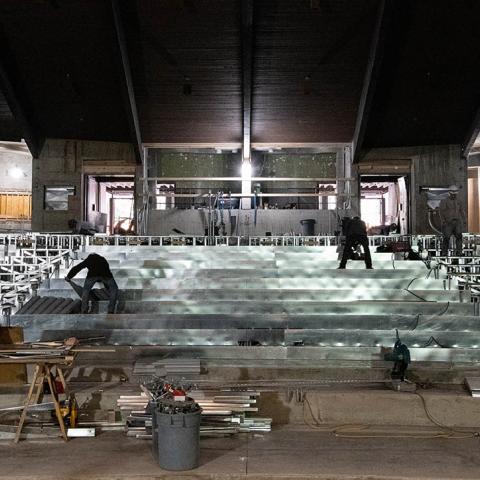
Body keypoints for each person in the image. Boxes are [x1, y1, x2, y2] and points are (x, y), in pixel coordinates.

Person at [439, 185, 465, 256]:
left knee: (459, 237)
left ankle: (459, 252)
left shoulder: (459, 201)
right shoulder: (444, 201)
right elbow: (441, 212)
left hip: (457, 222)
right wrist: (443, 221)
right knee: (446, 238)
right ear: (449, 193)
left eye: (455, 194)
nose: (454, 195)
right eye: (452, 194)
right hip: (448, 223)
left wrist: (464, 220)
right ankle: (444, 253)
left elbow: (462, 211)